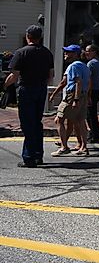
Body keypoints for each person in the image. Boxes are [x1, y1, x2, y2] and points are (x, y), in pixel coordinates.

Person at [3, 25, 54, 168]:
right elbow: (51, 75)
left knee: (27, 123)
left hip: (26, 89)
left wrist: (5, 86)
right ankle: (38, 155)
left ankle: (29, 157)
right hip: (41, 88)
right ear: (40, 37)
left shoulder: (21, 53)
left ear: (27, 36)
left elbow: (14, 75)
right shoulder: (47, 53)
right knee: (37, 122)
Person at [49, 44, 91, 157]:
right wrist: (87, 97)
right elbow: (88, 82)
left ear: (75, 54)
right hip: (83, 95)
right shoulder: (85, 66)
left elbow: (77, 82)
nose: (65, 54)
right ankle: (84, 147)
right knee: (81, 121)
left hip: (72, 95)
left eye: (68, 52)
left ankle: (64, 147)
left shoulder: (73, 66)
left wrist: (75, 99)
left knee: (59, 120)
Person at [84, 44, 99, 144]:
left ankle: (94, 135)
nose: (86, 53)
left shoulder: (91, 64)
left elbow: (88, 80)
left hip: (92, 90)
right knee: (91, 113)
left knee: (90, 114)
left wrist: (88, 94)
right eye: (85, 51)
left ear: (94, 52)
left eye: (88, 51)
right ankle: (94, 134)